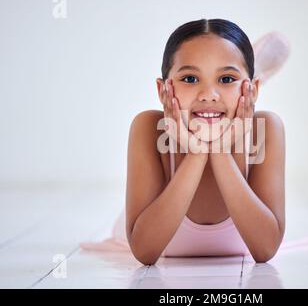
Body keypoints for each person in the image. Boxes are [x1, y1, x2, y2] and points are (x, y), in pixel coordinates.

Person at [81, 19, 290, 265]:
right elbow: (145, 251)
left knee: (218, 102)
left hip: (236, 114)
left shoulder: (263, 130)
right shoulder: (149, 128)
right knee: (219, 102)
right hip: (154, 204)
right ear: (162, 91)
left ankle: (235, 82)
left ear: (253, 91)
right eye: (190, 79)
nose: (207, 95)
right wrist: (198, 151)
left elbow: (265, 248)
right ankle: (238, 79)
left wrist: (220, 149)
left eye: (225, 79)